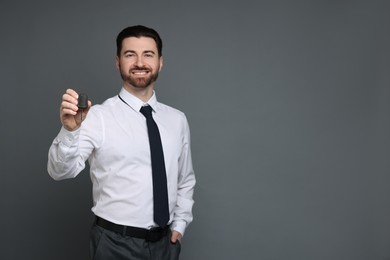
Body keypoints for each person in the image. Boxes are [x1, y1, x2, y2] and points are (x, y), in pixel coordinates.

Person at [47, 25, 195, 260]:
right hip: (115, 244)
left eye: (148, 54)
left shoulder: (177, 120)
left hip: (165, 245)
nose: (139, 62)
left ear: (160, 62)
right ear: (118, 62)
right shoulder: (97, 117)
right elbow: (60, 171)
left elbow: (185, 179)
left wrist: (180, 224)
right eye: (130, 54)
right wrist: (69, 131)